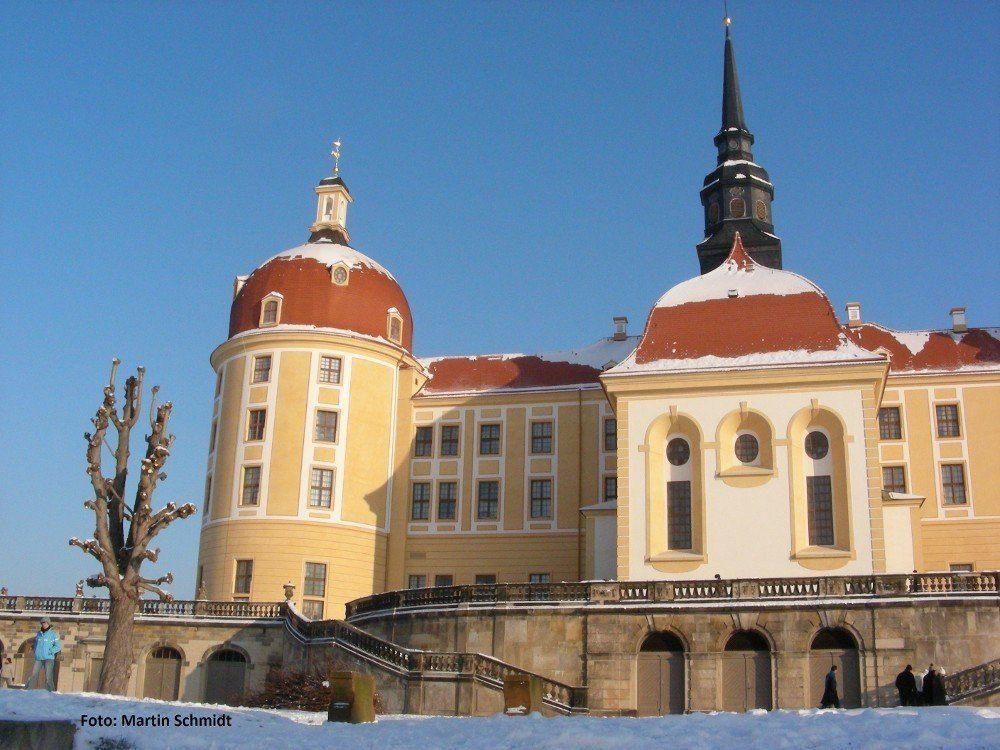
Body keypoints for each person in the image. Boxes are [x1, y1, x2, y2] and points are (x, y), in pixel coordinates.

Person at [26, 617, 61, 691]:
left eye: (45, 623)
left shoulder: (53, 634)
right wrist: (35, 651)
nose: (43, 624)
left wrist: (50, 651)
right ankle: (28, 690)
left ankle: (50, 691)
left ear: (48, 623)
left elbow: (58, 646)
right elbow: (36, 644)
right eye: (42, 623)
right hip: (38, 658)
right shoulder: (39, 634)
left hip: (48, 658)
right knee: (34, 675)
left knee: (48, 676)